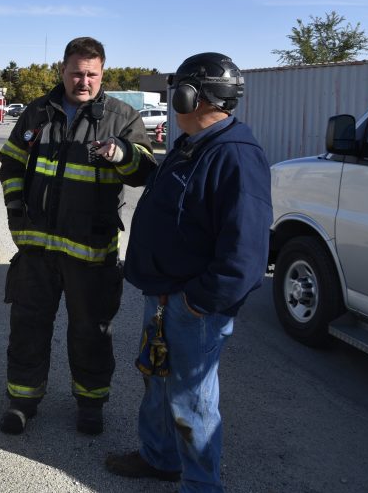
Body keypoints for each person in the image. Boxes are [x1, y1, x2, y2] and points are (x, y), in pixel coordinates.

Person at [106, 53, 271, 492]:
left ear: (190, 95)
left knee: (193, 401)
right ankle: (159, 458)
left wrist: (197, 302)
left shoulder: (235, 156)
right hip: (164, 295)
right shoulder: (191, 143)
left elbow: (246, 253)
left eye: (176, 89)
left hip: (192, 306)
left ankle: (200, 485)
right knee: (157, 382)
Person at [0, 36, 156, 436]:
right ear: (62, 71)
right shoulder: (37, 113)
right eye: (76, 73)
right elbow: (11, 162)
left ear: (102, 74)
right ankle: (23, 401)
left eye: (91, 74)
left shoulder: (122, 117)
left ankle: (90, 404)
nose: (83, 81)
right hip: (36, 249)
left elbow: (146, 170)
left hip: (91, 252)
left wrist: (123, 154)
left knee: (91, 332)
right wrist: (16, 210)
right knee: (28, 326)